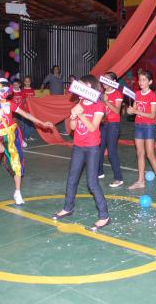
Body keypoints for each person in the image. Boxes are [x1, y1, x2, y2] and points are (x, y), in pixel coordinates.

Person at [0, 78, 52, 205]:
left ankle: (17, 192)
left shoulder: (10, 104)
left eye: (6, 90)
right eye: (2, 89)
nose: (5, 92)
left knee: (16, 163)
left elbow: (26, 115)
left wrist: (42, 123)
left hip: (10, 136)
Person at [52, 75, 110, 230]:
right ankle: (68, 207)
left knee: (92, 183)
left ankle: (104, 216)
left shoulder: (99, 106)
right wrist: (72, 116)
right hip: (78, 146)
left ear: (90, 87)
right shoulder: (79, 103)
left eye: (83, 85)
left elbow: (92, 127)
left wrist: (81, 113)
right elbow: (71, 128)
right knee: (72, 179)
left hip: (92, 148)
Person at [128, 70, 156, 194]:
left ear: (150, 82)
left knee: (150, 154)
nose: (141, 82)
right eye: (140, 79)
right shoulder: (137, 94)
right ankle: (140, 181)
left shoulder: (152, 96)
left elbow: (152, 115)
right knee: (139, 153)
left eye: (144, 80)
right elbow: (135, 108)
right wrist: (130, 111)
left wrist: (136, 112)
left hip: (148, 127)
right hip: (138, 126)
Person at [97, 72, 124, 187]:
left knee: (111, 151)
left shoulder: (117, 94)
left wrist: (106, 101)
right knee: (99, 148)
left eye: (107, 80)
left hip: (113, 124)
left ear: (113, 82)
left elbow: (117, 111)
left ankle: (119, 178)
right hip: (103, 124)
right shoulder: (101, 94)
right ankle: (99, 172)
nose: (104, 82)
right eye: (104, 79)